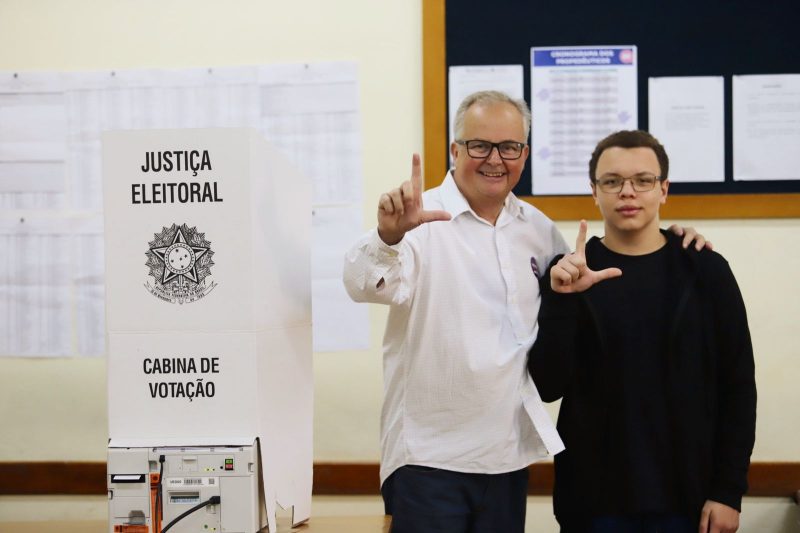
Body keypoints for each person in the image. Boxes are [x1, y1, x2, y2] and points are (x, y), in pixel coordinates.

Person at [343, 92, 706, 532]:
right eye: (480, 146)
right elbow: (362, 285)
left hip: (507, 459)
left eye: (509, 147)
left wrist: (677, 235)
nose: (495, 159)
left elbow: (574, 293)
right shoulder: (420, 223)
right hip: (427, 461)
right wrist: (387, 236)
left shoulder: (538, 230)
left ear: (525, 154)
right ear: (455, 151)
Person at [528, 130, 756, 533]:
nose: (627, 192)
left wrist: (728, 490)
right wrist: (561, 300)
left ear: (663, 189)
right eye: (612, 181)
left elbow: (738, 388)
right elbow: (548, 385)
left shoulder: (704, 270)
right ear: (594, 192)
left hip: (689, 497)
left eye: (643, 180)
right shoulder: (570, 272)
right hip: (594, 501)